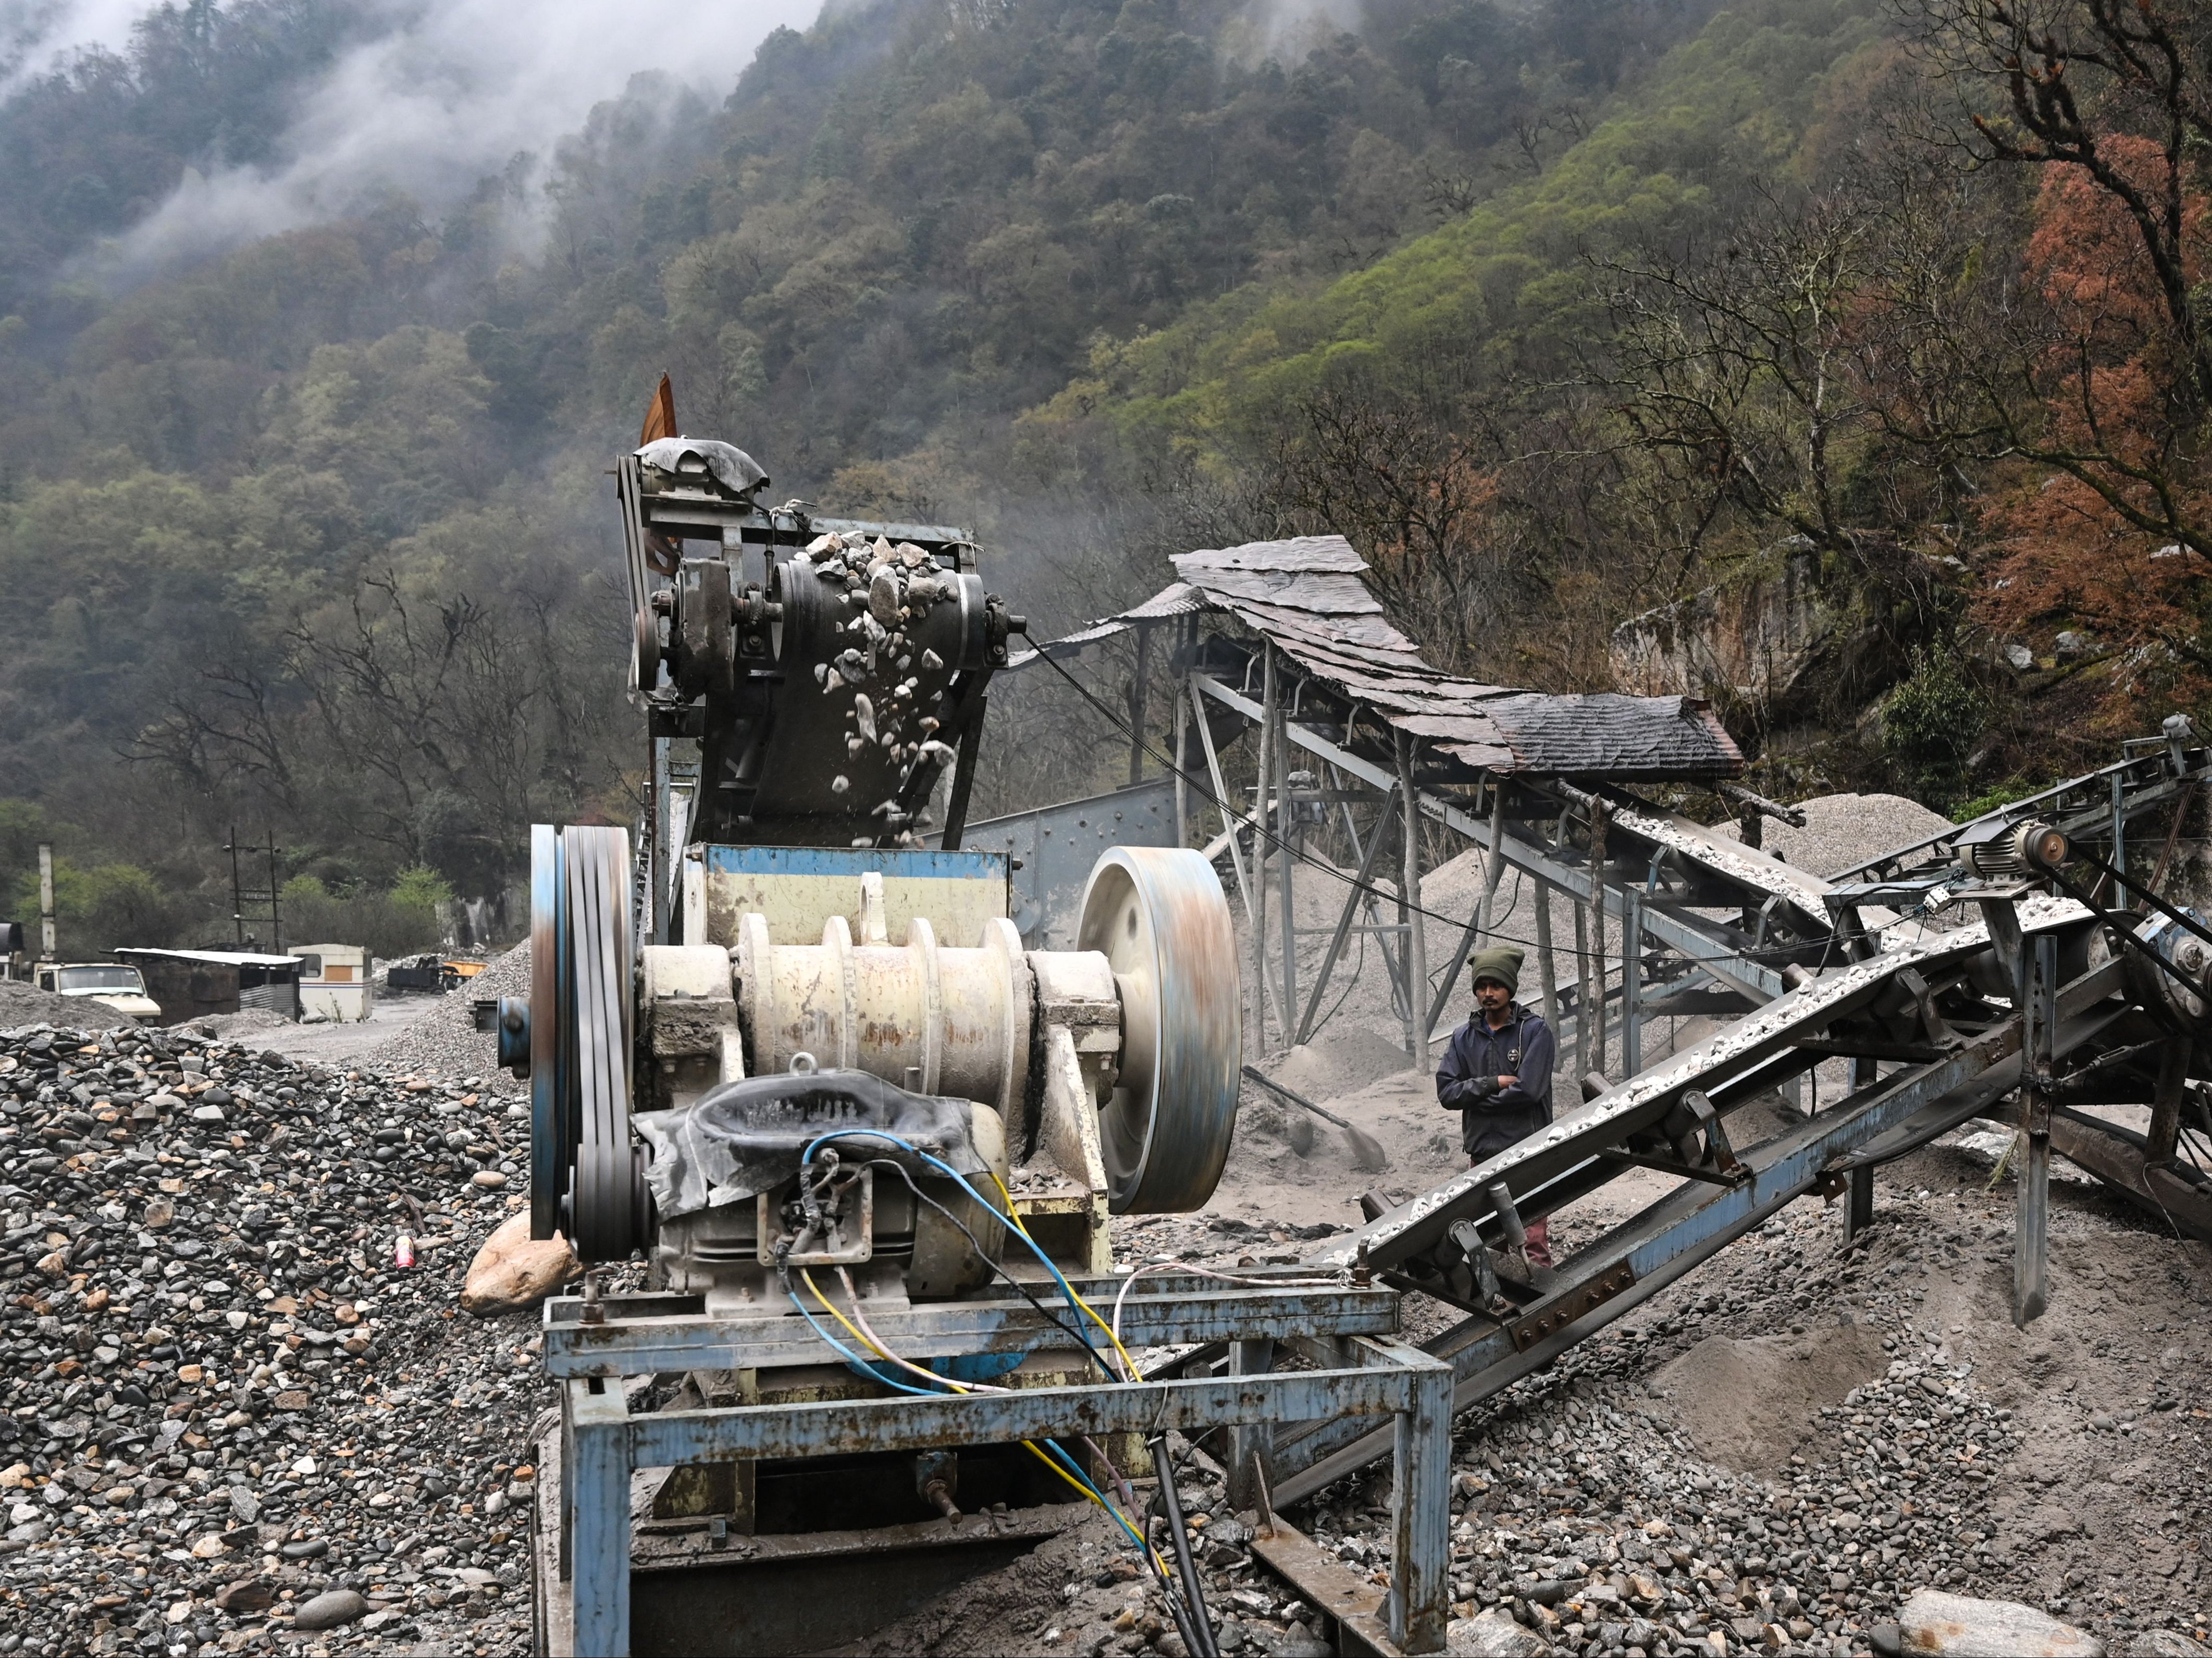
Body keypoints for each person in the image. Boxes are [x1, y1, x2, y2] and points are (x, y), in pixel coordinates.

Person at [1435, 944, 1557, 1266]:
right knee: (1489, 1245)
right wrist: (1491, 1084)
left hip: (1527, 1153)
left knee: (1531, 1240)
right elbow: (1447, 1092)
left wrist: (1475, 1101)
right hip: (1482, 1157)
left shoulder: (1535, 1032)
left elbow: (1529, 1091)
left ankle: (1538, 1308)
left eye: (1496, 985)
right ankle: (1500, 1313)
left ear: (1511, 989)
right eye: (1482, 987)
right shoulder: (1463, 1038)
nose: (1488, 993)